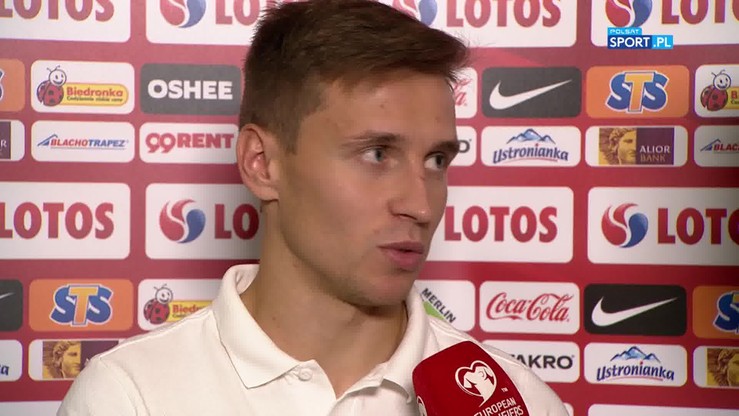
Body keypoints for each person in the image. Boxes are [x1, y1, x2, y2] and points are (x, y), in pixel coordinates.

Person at [59, 0, 568, 414]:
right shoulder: (131, 397)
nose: (420, 205)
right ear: (262, 164)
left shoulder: (514, 401)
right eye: (377, 154)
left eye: (437, 160)